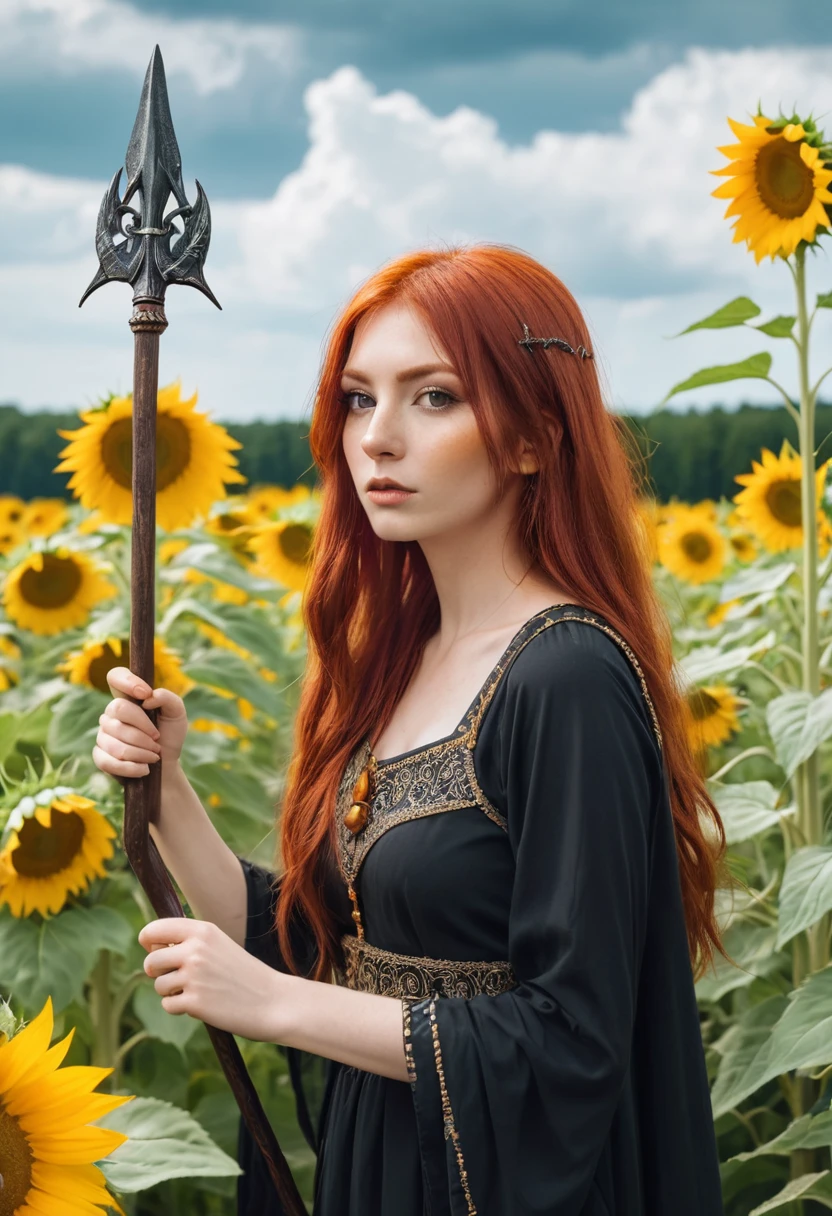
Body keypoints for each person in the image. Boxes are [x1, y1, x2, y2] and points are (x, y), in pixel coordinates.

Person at [93, 244, 730, 1216]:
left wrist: (274, 1008)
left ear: (532, 438)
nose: (377, 438)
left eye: (433, 397)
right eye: (358, 398)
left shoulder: (564, 677)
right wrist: (167, 790)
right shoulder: (403, 661)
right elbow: (325, 948)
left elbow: (572, 1039)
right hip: (387, 1166)